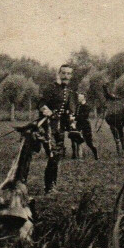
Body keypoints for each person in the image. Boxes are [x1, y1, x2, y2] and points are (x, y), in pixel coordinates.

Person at [36, 64, 77, 194]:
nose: (66, 76)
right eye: (64, 73)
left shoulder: (69, 91)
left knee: (57, 156)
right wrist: (46, 110)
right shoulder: (51, 88)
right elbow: (41, 103)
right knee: (53, 155)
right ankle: (49, 187)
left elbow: (68, 111)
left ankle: (52, 185)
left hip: (59, 129)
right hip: (48, 128)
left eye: (69, 74)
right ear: (59, 74)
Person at [70, 93, 99, 160]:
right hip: (78, 125)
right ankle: (79, 156)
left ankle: (95, 153)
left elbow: (83, 116)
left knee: (88, 142)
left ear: (84, 98)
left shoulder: (87, 106)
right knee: (76, 139)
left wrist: (74, 118)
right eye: (78, 97)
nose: (78, 98)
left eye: (80, 97)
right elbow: (76, 114)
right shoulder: (78, 105)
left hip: (85, 125)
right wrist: (72, 116)